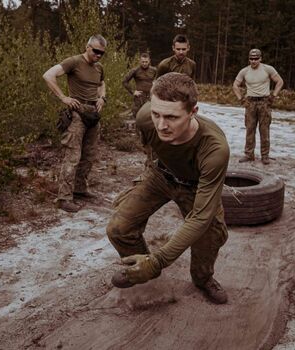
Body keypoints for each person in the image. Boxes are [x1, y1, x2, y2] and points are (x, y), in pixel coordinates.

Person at [107, 72, 230, 304]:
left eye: (172, 117)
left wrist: (158, 261)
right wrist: (149, 266)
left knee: (208, 238)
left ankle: (203, 279)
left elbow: (200, 217)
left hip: (195, 188)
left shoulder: (214, 149)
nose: (161, 125)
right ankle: (142, 270)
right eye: (157, 114)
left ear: (193, 112)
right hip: (159, 176)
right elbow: (150, 149)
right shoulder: (145, 118)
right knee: (118, 228)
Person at [43, 34, 107, 212]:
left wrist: (102, 97)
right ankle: (63, 198)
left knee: (89, 156)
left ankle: (80, 189)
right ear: (87, 47)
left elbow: (102, 84)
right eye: (95, 51)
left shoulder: (99, 67)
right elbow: (48, 75)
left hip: (93, 115)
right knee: (72, 157)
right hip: (77, 115)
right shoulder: (74, 62)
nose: (98, 55)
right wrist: (63, 97)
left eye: (102, 52)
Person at [233, 48, 283, 165]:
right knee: (250, 129)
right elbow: (235, 85)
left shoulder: (268, 69)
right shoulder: (244, 71)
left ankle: (265, 155)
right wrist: (241, 99)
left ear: (260, 58)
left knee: (264, 130)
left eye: (256, 59)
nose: (254, 61)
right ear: (249, 59)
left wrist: (273, 96)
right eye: (251, 59)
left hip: (264, 102)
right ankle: (249, 154)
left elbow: (280, 81)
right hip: (250, 103)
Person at [122, 53, 157, 119]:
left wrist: (155, 86)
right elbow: (124, 82)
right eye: (143, 62)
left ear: (149, 61)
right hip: (139, 97)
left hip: (150, 97)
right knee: (138, 117)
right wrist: (133, 91)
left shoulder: (154, 70)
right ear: (140, 61)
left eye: (146, 62)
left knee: (151, 116)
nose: (144, 63)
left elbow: (159, 80)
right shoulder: (135, 70)